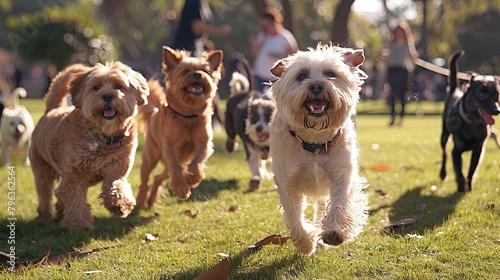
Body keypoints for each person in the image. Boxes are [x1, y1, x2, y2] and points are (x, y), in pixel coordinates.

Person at [249, 7, 298, 92]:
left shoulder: (285, 36)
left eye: (264, 24)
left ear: (271, 23)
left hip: (276, 77)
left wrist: (278, 56)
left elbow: (294, 55)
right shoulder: (262, 36)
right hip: (260, 76)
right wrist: (254, 46)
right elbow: (255, 54)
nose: (262, 26)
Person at [381, 20, 419, 126]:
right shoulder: (390, 43)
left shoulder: (408, 44)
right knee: (393, 94)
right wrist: (384, 54)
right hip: (392, 69)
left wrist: (414, 55)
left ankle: (401, 119)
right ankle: (392, 117)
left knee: (403, 95)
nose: (399, 34)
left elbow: (412, 55)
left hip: (404, 70)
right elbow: (386, 53)